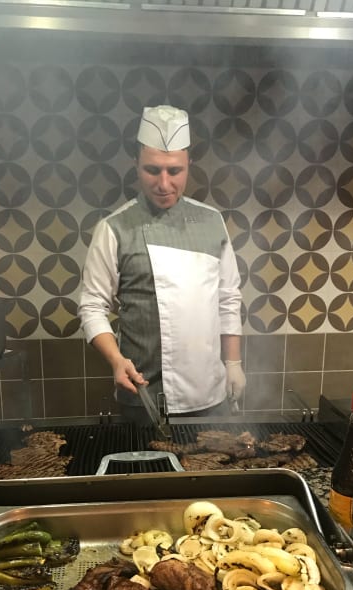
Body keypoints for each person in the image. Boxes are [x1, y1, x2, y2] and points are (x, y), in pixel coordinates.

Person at [78, 105, 246, 424]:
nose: (164, 183)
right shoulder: (114, 228)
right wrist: (116, 360)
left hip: (211, 395)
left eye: (175, 171)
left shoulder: (213, 222)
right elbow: (91, 306)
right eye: (152, 170)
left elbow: (228, 299)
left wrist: (234, 363)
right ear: (136, 165)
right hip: (143, 396)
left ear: (189, 166)